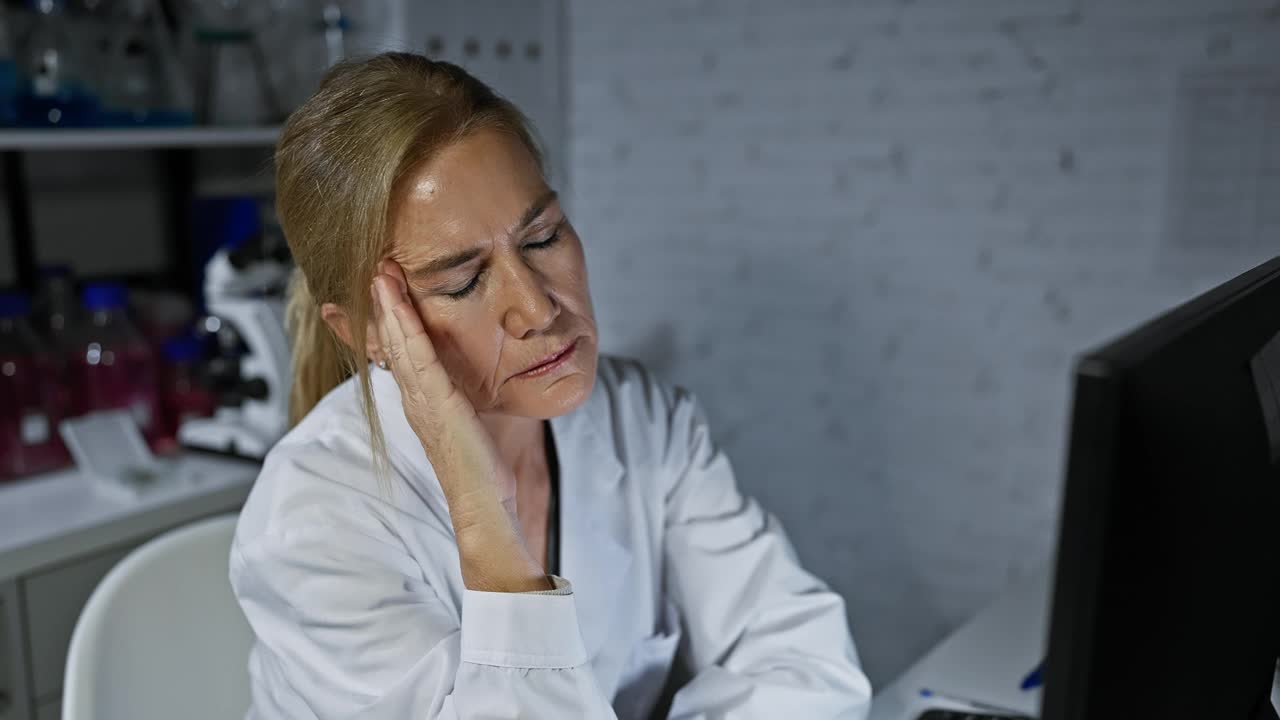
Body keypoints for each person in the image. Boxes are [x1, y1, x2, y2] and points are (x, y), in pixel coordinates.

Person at [230, 52, 872, 719]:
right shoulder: (314, 525)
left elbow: (805, 664)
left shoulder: (642, 418)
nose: (538, 309)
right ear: (366, 332)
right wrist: (484, 523)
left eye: (541, 237)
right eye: (464, 281)